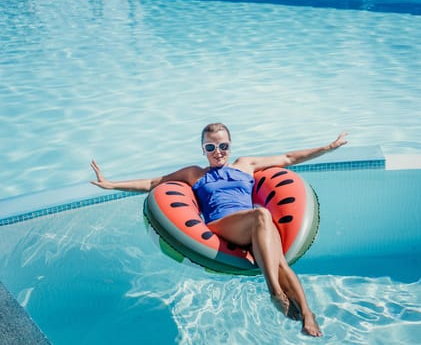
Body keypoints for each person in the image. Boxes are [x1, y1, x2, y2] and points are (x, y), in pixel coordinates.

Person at [90, 123, 348, 337]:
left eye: (223, 146)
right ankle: (274, 290)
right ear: (203, 150)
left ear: (230, 146)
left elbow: (289, 158)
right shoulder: (195, 173)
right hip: (222, 226)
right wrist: (111, 185)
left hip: (254, 225)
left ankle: (307, 314)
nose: (218, 152)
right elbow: (152, 182)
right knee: (262, 214)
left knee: (278, 256)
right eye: (211, 147)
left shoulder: (245, 164)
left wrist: (327, 148)